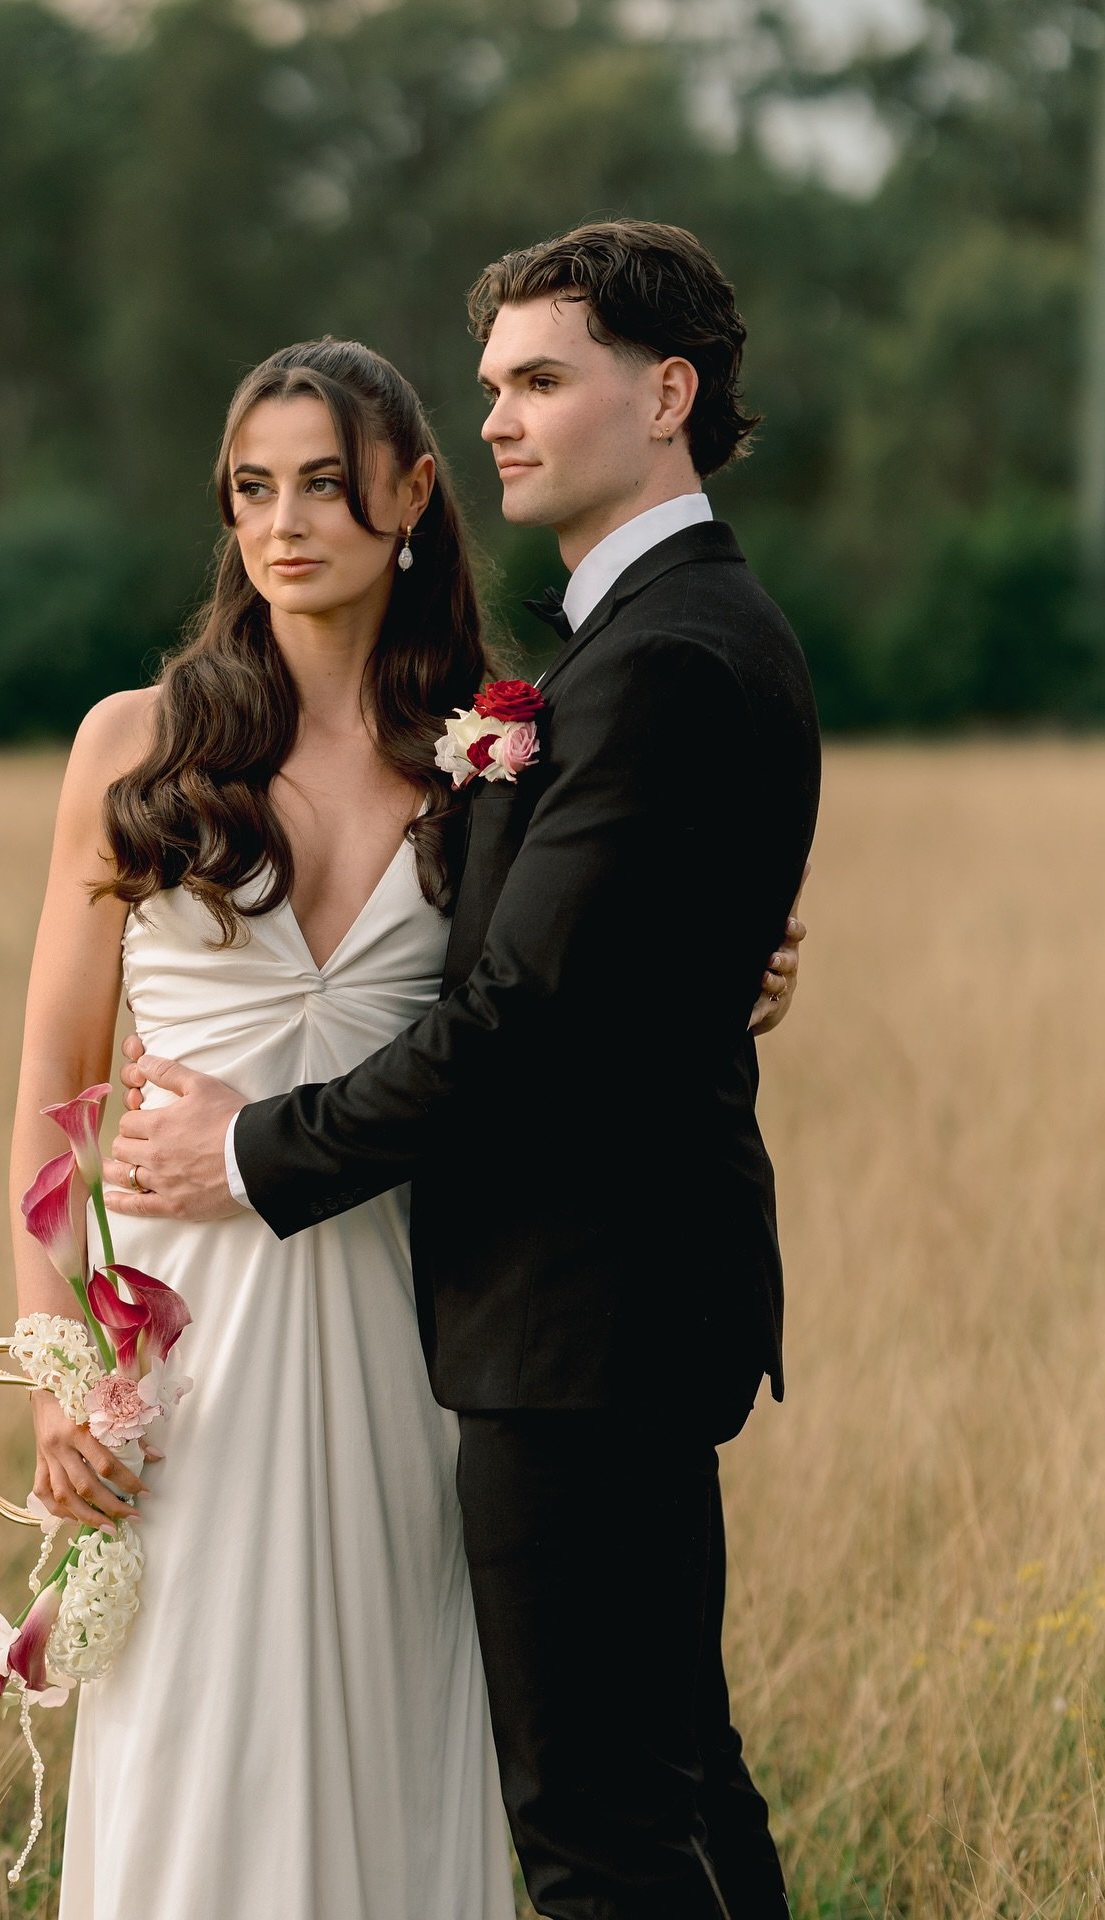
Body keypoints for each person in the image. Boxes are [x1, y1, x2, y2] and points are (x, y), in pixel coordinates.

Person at [106, 221, 820, 1920]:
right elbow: (589, 955)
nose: (503, 417)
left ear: (668, 394)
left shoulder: (656, 661)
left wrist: (256, 1153)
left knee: (600, 1835)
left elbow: (523, 1019)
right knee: (676, 1785)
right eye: (493, 383)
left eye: (541, 381)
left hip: (582, 1320)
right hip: (572, 1314)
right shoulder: (632, 648)